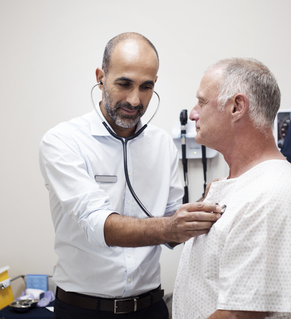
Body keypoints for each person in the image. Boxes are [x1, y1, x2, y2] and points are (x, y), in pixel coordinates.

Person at [39, 32, 221, 319]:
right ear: (101, 77)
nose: (135, 100)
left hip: (150, 308)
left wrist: (207, 200)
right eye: (124, 84)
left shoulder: (163, 145)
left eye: (146, 87)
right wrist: (169, 228)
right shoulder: (63, 142)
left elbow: (173, 232)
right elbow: (97, 224)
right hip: (83, 310)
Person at [173, 58, 291, 319]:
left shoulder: (271, 194)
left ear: (237, 107)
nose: (193, 112)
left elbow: (237, 315)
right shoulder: (239, 186)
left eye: (202, 102)